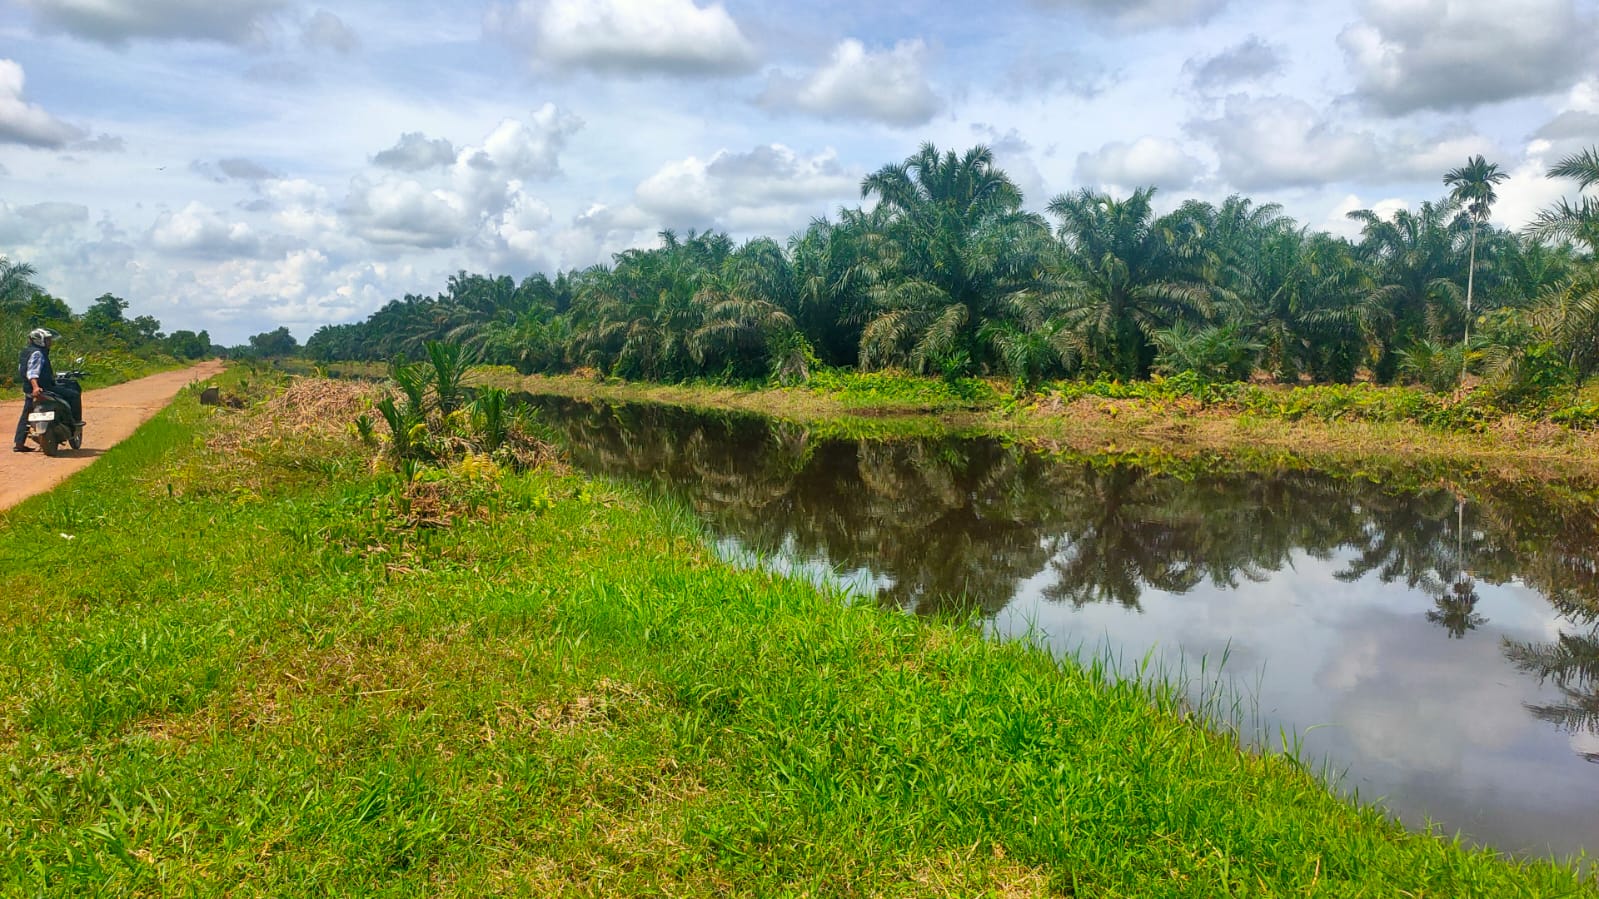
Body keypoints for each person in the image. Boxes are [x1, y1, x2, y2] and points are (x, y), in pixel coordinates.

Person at [14, 328, 56, 453]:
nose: (50, 342)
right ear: (40, 341)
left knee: (26, 413)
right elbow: (32, 373)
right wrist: (36, 387)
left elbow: (22, 370)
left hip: (28, 389)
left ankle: (19, 443)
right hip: (41, 388)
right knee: (73, 394)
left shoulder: (25, 352)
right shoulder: (38, 353)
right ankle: (73, 424)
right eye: (47, 340)